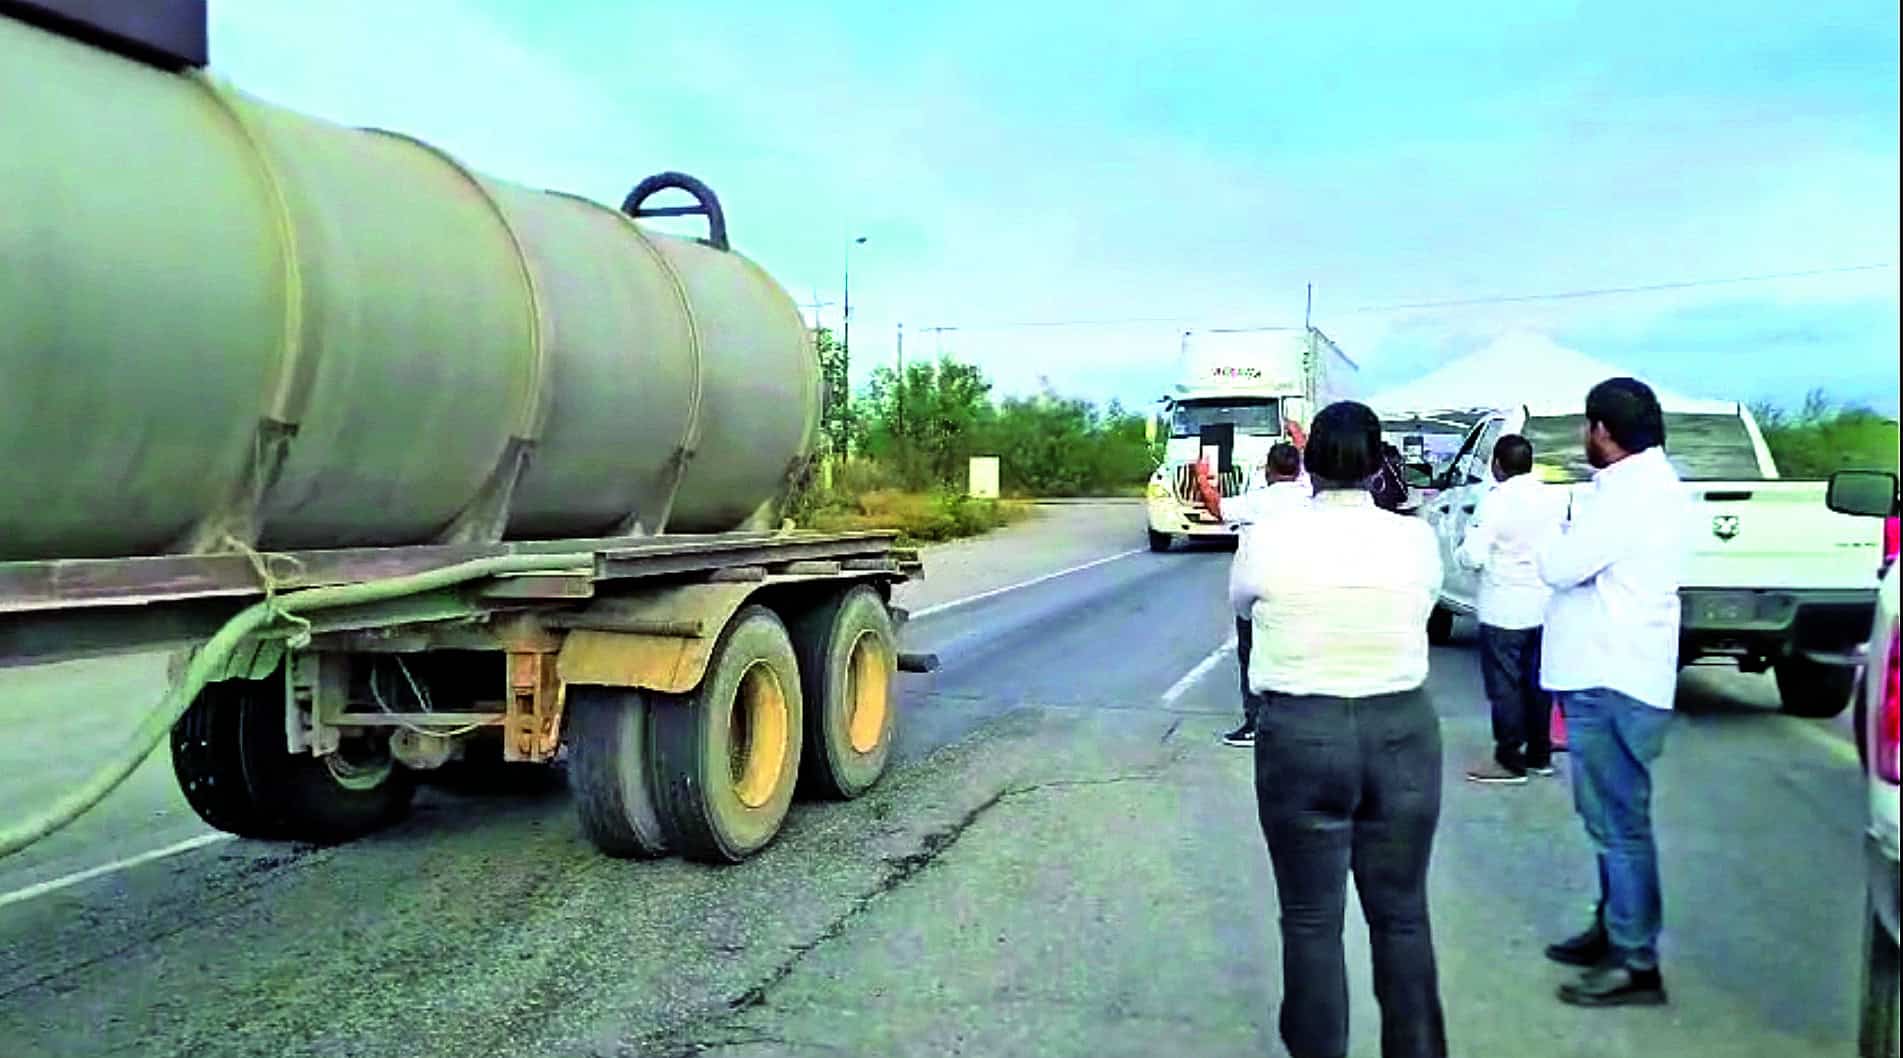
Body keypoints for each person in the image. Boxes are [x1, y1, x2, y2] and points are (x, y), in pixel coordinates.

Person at [1233, 401, 1447, 1058]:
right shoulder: (1415, 538)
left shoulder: (1268, 537)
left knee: (1310, 920)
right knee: (1402, 916)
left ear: (1310, 463)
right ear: (1378, 460)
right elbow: (1426, 603)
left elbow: (1240, 602)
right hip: (1401, 730)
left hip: (1301, 732)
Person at [1536, 377, 1689, 1008]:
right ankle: (1614, 927)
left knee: (1619, 824)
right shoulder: (1651, 485)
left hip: (1610, 676)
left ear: (1602, 430)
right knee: (1608, 818)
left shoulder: (1627, 495)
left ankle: (1637, 959)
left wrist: (1553, 529)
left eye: (1587, 427)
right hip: (1618, 671)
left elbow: (1560, 566)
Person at [1456, 434, 1566, 784]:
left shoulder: (1495, 502)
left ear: (1497, 466)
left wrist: (1460, 552)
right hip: (1544, 605)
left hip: (1503, 607)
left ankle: (1508, 760)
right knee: (1537, 683)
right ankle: (1539, 755)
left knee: (1505, 685)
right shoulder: (1554, 497)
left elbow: (1474, 555)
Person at [1195, 443, 1311, 747]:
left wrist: (1202, 478)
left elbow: (1216, 507)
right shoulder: (1312, 498)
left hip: (1263, 593)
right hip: (1308, 591)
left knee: (1253, 657)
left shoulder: (1257, 502)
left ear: (1268, 470)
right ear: (1298, 469)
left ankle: (1255, 724)